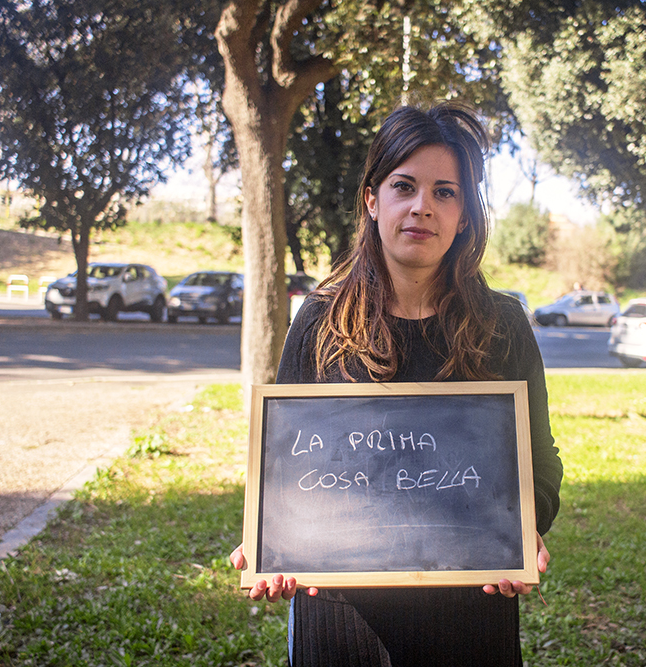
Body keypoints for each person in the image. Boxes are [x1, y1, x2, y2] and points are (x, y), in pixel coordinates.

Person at [229, 101, 563, 667]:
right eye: (404, 186)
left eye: (444, 192)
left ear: (465, 214)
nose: (421, 207)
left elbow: (542, 460)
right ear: (372, 199)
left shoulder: (503, 325)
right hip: (340, 619)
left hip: (470, 613)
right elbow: (284, 468)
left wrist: (524, 527)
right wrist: (272, 542)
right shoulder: (319, 322)